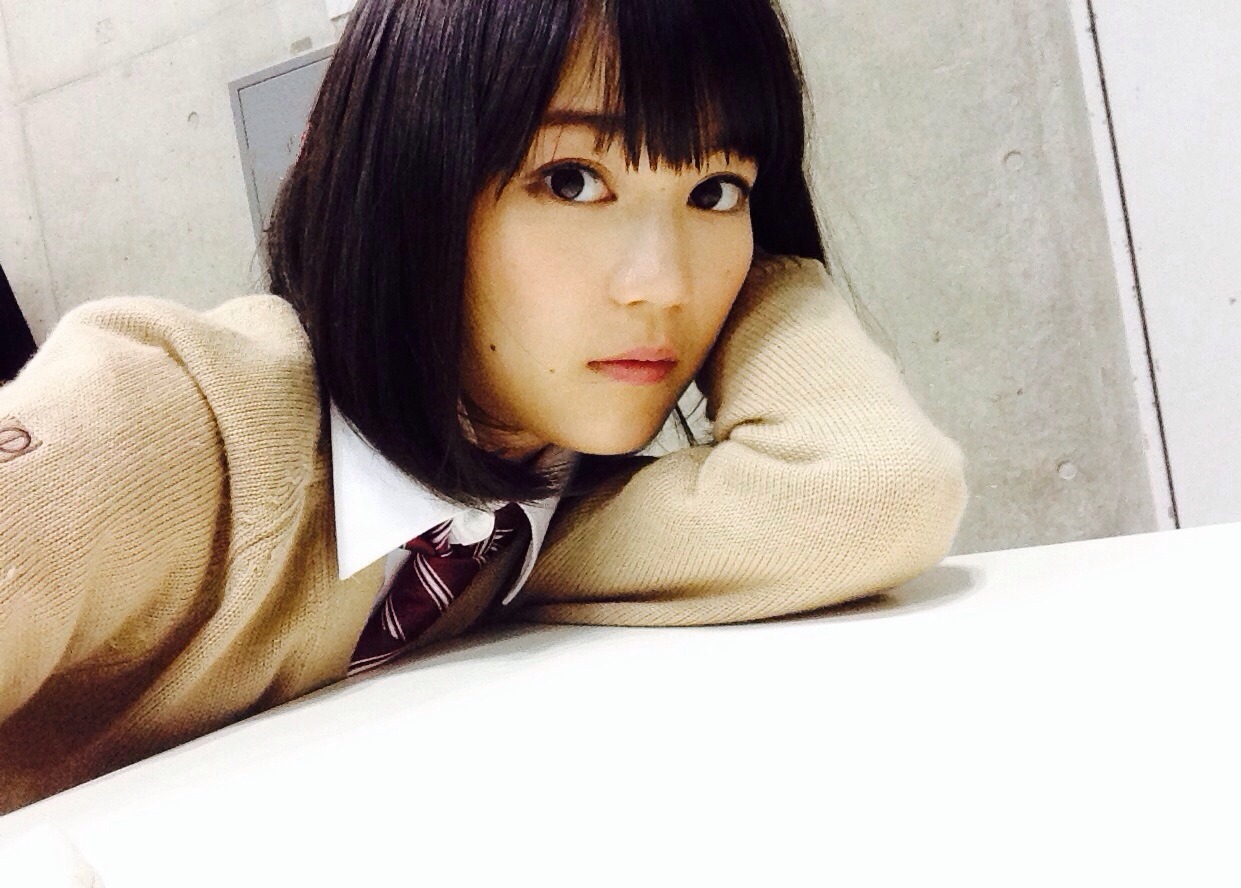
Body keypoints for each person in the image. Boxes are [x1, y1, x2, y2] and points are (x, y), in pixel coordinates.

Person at [0, 0, 969, 812]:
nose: (664, 284)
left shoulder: (527, 522)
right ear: (399, 184)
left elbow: (868, 491)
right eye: (572, 180)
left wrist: (767, 260)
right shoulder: (169, 426)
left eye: (716, 190)